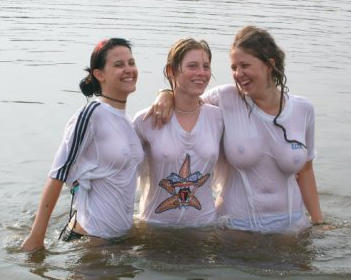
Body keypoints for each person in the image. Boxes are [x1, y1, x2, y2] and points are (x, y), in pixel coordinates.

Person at [149, 26, 324, 233]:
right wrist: (165, 95)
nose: (238, 74)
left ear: (269, 65)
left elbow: (305, 171)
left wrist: (318, 222)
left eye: (245, 65)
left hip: (291, 227)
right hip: (235, 228)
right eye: (233, 67)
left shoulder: (303, 110)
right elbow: (186, 101)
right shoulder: (225, 99)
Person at [21, 38, 144, 251]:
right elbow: (57, 174)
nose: (128, 69)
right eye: (118, 64)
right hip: (90, 242)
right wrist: (36, 238)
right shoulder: (90, 116)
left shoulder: (128, 121)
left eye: (131, 62)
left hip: (119, 242)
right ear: (99, 74)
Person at [134, 38, 223, 226]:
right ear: (171, 71)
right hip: (155, 227)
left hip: (204, 228)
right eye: (192, 66)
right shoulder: (145, 121)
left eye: (206, 66)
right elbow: (121, 174)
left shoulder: (218, 118)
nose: (201, 73)